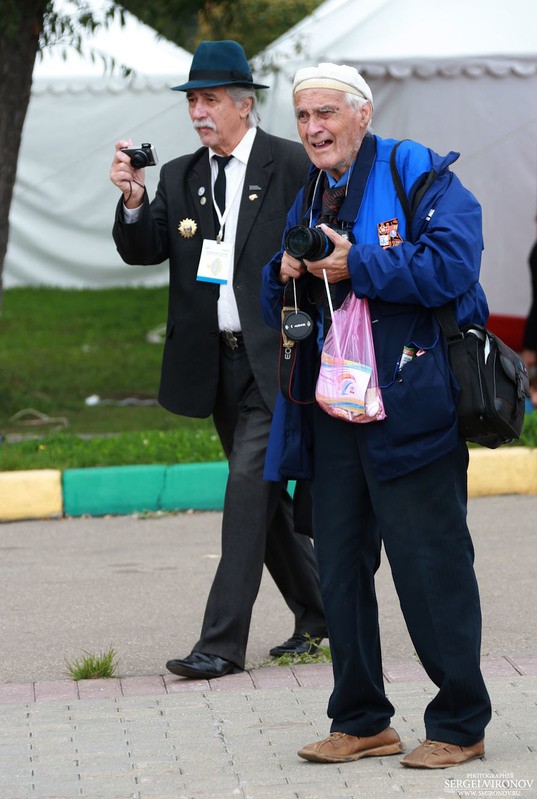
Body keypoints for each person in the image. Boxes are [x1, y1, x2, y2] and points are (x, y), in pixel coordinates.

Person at [261, 62, 492, 769]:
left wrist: (355, 263)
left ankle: (458, 722)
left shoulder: (419, 173)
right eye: (302, 117)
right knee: (338, 569)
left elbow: (453, 266)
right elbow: (286, 310)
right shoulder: (311, 192)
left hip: (409, 403)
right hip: (333, 407)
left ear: (362, 112)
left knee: (430, 566)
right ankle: (361, 717)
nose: (312, 129)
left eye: (325, 113)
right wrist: (286, 275)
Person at [110, 41, 326, 680]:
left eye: (208, 100)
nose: (198, 113)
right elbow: (145, 248)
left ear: (243, 103)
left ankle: (221, 643)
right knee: (266, 502)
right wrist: (131, 198)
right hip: (217, 363)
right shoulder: (179, 176)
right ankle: (321, 615)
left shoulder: (290, 163)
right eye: (192, 102)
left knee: (245, 491)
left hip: (278, 356)